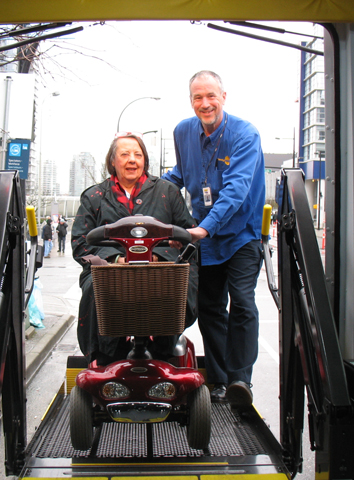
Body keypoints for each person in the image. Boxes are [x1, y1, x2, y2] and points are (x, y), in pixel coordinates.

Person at [162, 70, 266, 407]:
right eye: (198, 97)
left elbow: (236, 190)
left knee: (242, 301)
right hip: (204, 235)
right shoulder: (183, 131)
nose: (205, 103)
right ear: (191, 100)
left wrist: (204, 228)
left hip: (241, 233)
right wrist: (145, 190)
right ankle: (220, 381)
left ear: (223, 97)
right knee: (209, 307)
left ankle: (240, 380)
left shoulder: (244, 134)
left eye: (211, 96)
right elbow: (179, 175)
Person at [71, 133, 198, 366]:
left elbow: (190, 236)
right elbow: (80, 243)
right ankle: (104, 356)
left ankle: (163, 350)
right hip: (110, 273)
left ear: (144, 161)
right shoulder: (94, 197)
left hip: (161, 271)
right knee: (94, 287)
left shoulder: (167, 192)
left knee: (178, 284)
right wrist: (116, 260)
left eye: (138, 155)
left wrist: (161, 256)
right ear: (113, 161)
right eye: (125, 154)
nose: (132, 159)